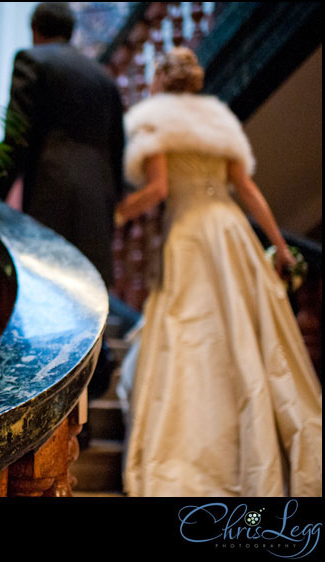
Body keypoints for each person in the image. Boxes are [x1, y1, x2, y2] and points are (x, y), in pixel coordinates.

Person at [117, 47, 322, 496]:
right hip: (232, 231)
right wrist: (280, 246)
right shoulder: (218, 121)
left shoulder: (157, 120)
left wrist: (117, 214)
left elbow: (157, 189)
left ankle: (201, 453)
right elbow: (247, 190)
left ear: (161, 81)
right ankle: (254, 446)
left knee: (192, 337)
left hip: (191, 234)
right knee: (240, 338)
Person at [0, 2, 126, 289]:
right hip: (97, 200)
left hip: (51, 192)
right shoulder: (104, 77)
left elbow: (17, 135)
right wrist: (113, 203)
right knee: (90, 295)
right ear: (72, 32)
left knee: (47, 291)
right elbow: (117, 148)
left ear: (35, 30)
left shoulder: (32, 59)